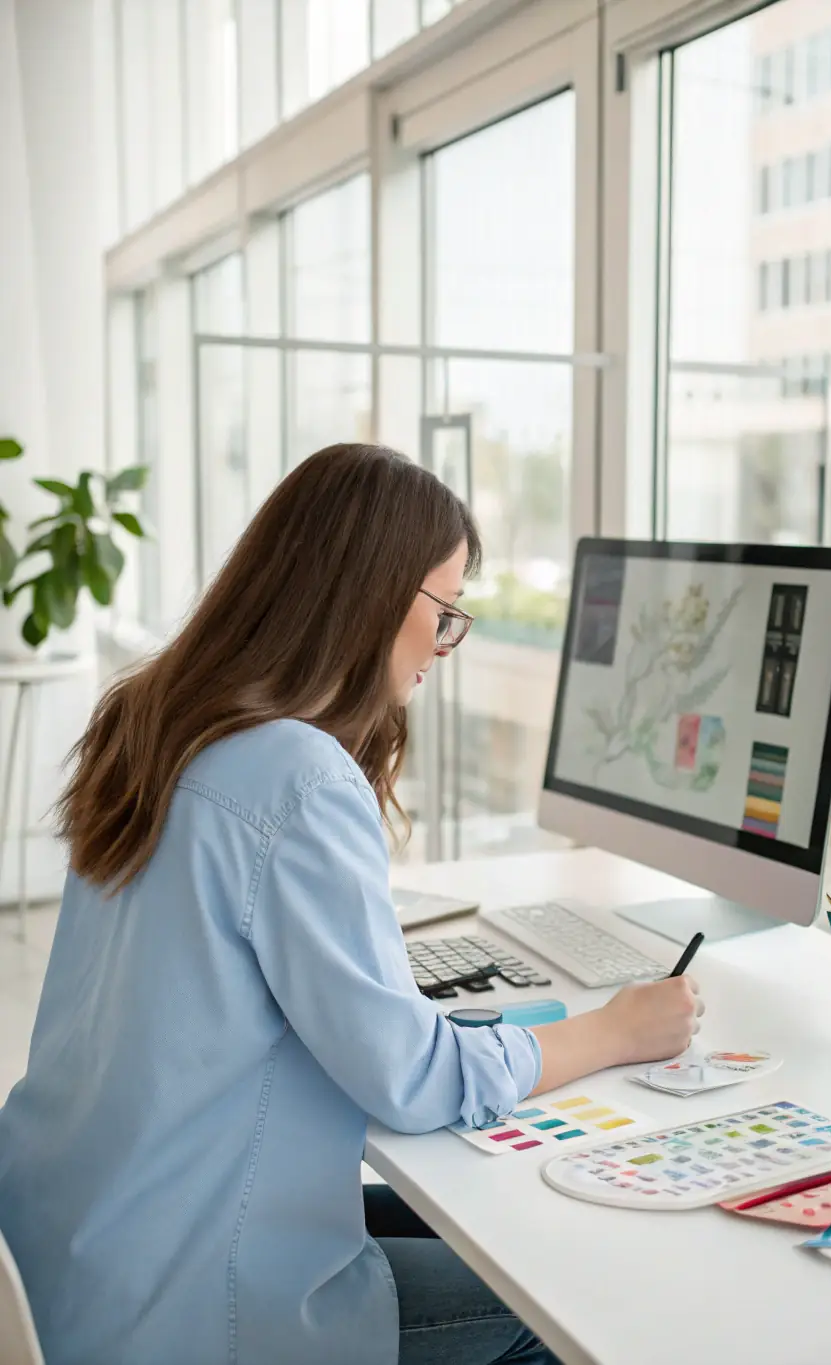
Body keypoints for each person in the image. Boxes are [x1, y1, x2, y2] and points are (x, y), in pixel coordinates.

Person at [0, 444, 703, 1365]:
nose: (443, 649)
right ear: (368, 592)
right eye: (444, 613)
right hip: (192, 1315)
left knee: (452, 1218)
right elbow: (410, 1080)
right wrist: (615, 1030)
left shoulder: (146, 718)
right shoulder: (297, 773)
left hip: (67, 1257)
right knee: (563, 1298)